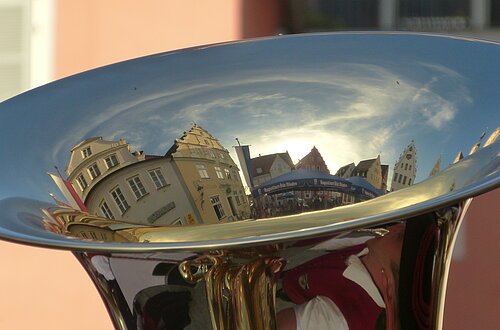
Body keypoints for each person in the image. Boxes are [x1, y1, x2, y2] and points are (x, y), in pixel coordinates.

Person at [277, 223, 405, 330]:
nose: (399, 226)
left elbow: (277, 325)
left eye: (400, 237)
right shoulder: (377, 249)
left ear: (389, 284)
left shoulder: (342, 320)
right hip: (291, 274)